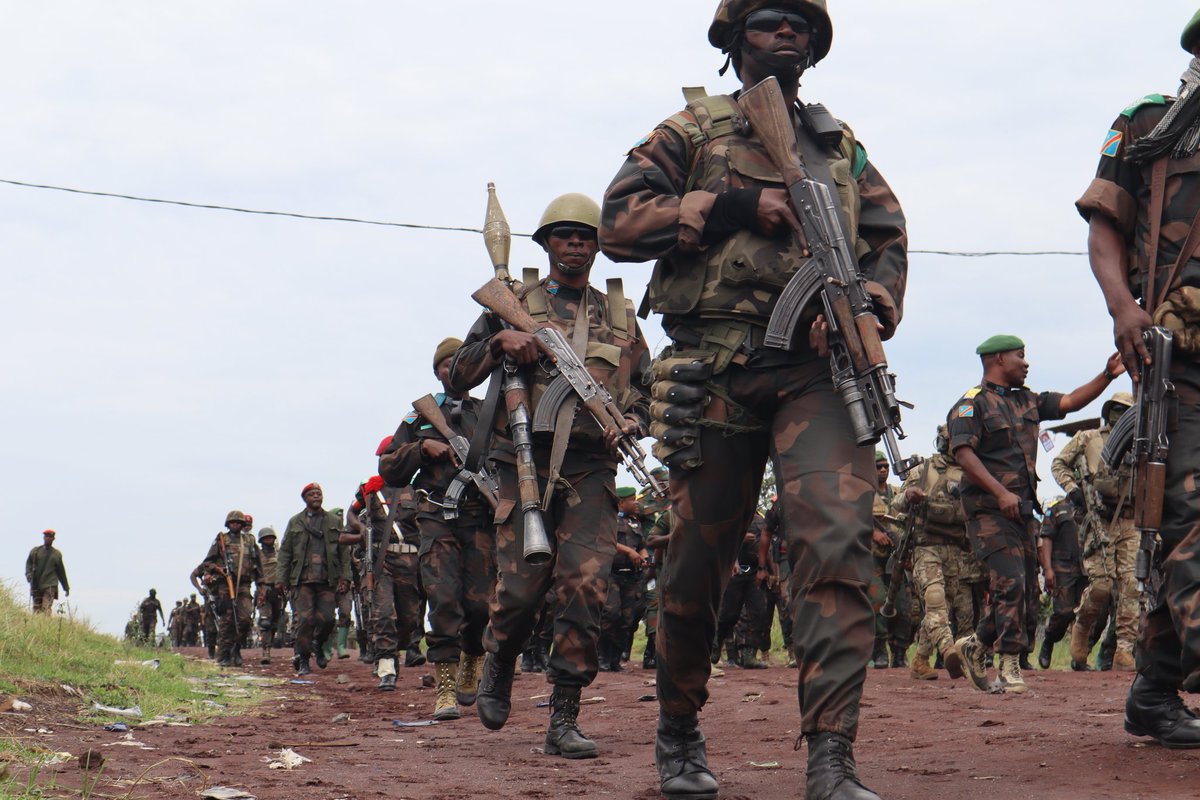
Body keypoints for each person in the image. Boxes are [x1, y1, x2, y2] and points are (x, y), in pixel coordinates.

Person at [600, 1, 908, 796]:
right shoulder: (691, 132)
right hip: (715, 366)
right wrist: (731, 207)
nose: (789, 33)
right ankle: (678, 731)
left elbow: (887, 239)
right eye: (770, 21)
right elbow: (620, 224)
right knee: (697, 567)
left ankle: (832, 758)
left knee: (837, 547)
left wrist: (871, 302)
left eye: (802, 25)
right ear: (735, 40)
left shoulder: (841, 147)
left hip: (818, 372)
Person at [449, 191, 651, 759]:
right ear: (545, 244)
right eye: (564, 236)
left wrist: (633, 419)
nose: (576, 245)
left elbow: (650, 389)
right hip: (523, 464)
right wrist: (498, 342)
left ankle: (563, 716)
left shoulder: (619, 317)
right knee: (518, 592)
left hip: (591, 469)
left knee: (585, 588)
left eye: (585, 237)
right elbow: (458, 378)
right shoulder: (513, 301)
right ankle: (499, 662)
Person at [1075, 8, 1200, 747]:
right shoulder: (1152, 126)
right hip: (1176, 359)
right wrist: (1123, 307)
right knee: (1187, 523)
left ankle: (1154, 692)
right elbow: (1105, 226)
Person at [948, 335, 1122, 694]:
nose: (1026, 363)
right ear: (997, 358)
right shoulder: (971, 405)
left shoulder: (1028, 400)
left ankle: (976, 645)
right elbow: (963, 454)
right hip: (986, 509)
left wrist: (1107, 374)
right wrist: (999, 492)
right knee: (1010, 581)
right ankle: (1008, 664)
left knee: (1024, 589)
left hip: (1021, 510)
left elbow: (1071, 402)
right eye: (1020, 356)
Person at [379, 338, 498, 720]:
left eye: (461, 362)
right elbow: (388, 469)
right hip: (436, 518)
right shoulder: (420, 418)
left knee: (480, 605)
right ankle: (444, 686)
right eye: (446, 364)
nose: (454, 370)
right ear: (437, 372)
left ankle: (472, 657)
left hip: (481, 518)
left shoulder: (490, 411)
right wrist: (420, 449)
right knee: (443, 599)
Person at [1049, 392, 1137, 671]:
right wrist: (1072, 490)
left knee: (1132, 586)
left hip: (1130, 520)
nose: (1119, 416)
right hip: (1097, 520)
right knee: (1101, 586)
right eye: (1116, 410)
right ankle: (1082, 626)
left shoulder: (1141, 444)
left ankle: (1124, 650)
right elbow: (1059, 463)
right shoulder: (1088, 438)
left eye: (1126, 411)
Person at [891, 427, 967, 681]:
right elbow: (897, 503)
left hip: (955, 550)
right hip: (926, 547)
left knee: (940, 607)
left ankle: (921, 661)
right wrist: (909, 495)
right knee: (934, 600)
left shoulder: (972, 473)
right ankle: (948, 649)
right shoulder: (923, 470)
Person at [344, 470, 423, 692]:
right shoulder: (371, 491)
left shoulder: (415, 489)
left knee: (409, 620)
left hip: (411, 562)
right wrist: (360, 530)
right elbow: (351, 513)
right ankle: (387, 667)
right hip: (382, 561)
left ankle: (397, 651)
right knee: (384, 613)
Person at [275, 483, 349, 675]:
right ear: (305, 498)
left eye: (319, 493)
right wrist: (280, 579)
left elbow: (344, 551)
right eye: (312, 494)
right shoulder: (295, 522)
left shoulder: (333, 521)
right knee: (305, 621)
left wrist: (345, 576)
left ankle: (317, 642)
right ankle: (305, 660)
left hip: (327, 579)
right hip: (302, 580)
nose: (316, 496)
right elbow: (285, 552)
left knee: (327, 620)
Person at [191, 511, 261, 667]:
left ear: (242, 524)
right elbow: (207, 563)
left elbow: (258, 564)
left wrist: (261, 584)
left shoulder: (249, 541)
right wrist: (218, 569)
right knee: (227, 621)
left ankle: (236, 648)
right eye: (232, 522)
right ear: (228, 524)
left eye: (238, 522)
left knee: (244, 619)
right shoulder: (222, 540)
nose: (235, 525)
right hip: (225, 584)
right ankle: (223, 655)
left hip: (243, 585)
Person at [599, 487, 649, 672]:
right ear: (621, 503)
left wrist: (644, 557)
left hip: (632, 577)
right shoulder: (608, 520)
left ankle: (615, 659)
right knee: (611, 614)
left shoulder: (635, 522)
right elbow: (606, 540)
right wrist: (629, 551)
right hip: (612, 574)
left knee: (629, 619)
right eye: (632, 499)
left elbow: (642, 545)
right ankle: (602, 657)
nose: (636, 503)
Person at [1037, 497, 1086, 669]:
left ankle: (1079, 658)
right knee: (1063, 613)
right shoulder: (1058, 509)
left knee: (1087, 615)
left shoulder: (1093, 508)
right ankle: (1049, 641)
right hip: (1063, 569)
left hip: (1087, 569)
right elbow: (1046, 539)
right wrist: (1048, 569)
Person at [256, 526, 284, 664]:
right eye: (266, 538)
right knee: (265, 622)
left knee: (274, 623)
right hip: (263, 591)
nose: (269, 540)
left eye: (271, 537)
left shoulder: (280, 554)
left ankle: (270, 644)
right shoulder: (257, 556)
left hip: (278, 591)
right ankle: (265, 651)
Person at [26, 529, 69, 614]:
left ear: (53, 539)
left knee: (46, 607)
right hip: (36, 584)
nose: (48, 538)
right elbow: (28, 564)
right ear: (43, 537)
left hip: (50, 585)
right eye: (46, 536)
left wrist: (66, 587)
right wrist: (28, 574)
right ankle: (38, 626)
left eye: (50, 537)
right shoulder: (35, 551)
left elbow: (61, 572)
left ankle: (46, 624)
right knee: (36, 608)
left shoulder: (56, 554)